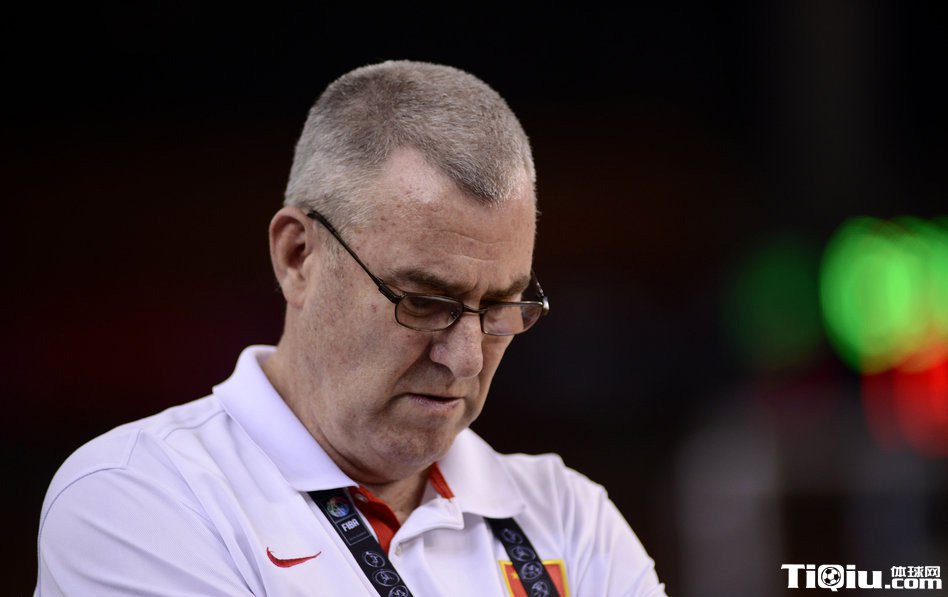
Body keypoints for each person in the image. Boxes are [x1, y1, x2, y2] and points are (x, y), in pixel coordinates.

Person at [35, 60, 665, 596]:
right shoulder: (135, 498)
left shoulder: (571, 517)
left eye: (501, 305)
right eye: (424, 301)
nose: (467, 358)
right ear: (297, 257)